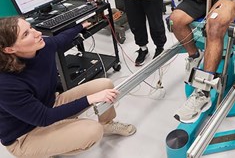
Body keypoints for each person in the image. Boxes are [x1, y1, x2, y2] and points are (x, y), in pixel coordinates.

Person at [0, 17, 136, 157]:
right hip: (24, 135)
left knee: (104, 85)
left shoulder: (42, 46)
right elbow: (43, 118)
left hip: (49, 105)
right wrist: (90, 99)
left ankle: (107, 124)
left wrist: (81, 26)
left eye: (31, 28)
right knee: (93, 131)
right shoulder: (5, 84)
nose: (37, 33)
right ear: (9, 49)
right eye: (26, 34)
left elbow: (61, 39)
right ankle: (42, 151)